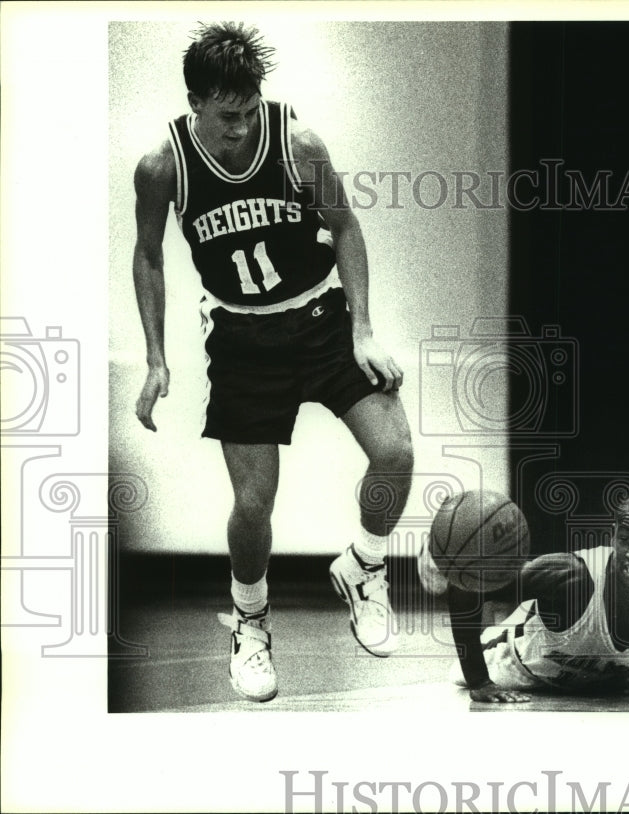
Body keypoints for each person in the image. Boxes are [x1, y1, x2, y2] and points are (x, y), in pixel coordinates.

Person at [132, 22, 413, 702]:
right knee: (254, 505)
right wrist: (156, 358)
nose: (239, 128)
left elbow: (345, 224)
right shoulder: (162, 167)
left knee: (396, 453)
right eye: (226, 116)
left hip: (321, 318)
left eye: (249, 110)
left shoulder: (297, 143)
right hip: (242, 339)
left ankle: (365, 567)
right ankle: (251, 622)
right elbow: (147, 255)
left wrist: (364, 329)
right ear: (194, 103)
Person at [422, 486, 629, 702]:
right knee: (456, 674)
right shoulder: (571, 577)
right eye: (625, 540)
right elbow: (464, 592)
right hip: (516, 666)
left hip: (601, 673)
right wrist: (478, 680)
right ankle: (444, 561)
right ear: (614, 536)